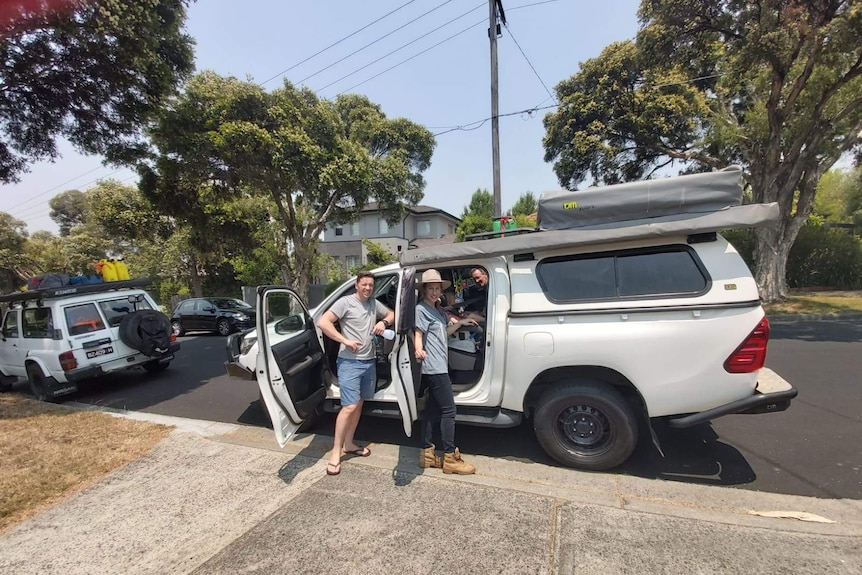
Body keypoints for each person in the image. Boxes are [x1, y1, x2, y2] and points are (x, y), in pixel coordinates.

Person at [317, 272, 394, 476]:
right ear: (356, 286)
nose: (368, 288)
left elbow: (391, 314)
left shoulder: (372, 304)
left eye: (370, 285)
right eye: (364, 285)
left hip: (368, 362)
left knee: (358, 403)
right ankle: (335, 453)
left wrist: (383, 323)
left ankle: (349, 444)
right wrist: (345, 341)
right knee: (349, 406)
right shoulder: (345, 302)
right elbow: (323, 323)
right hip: (349, 363)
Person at [414, 269, 477, 475]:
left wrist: (459, 323)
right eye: (431, 288)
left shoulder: (439, 311)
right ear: (424, 290)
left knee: (432, 411)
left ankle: (427, 454)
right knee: (449, 411)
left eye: (437, 288)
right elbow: (418, 333)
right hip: (434, 367)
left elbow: (444, 332)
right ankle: (450, 458)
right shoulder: (421, 309)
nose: (434, 292)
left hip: (440, 365)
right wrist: (418, 348)